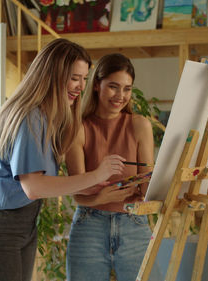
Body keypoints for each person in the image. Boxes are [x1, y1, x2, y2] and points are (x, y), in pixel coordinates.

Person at [0, 39, 126, 281]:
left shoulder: (46, 118)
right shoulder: (31, 117)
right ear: (52, 75)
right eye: (74, 78)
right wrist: (95, 175)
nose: (80, 87)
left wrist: (88, 184)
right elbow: (34, 187)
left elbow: (42, 183)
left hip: (22, 222)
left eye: (84, 79)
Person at [65, 53, 161, 281]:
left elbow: (147, 186)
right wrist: (98, 199)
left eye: (127, 89)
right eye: (113, 87)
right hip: (89, 224)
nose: (121, 96)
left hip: (134, 224)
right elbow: (78, 192)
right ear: (97, 85)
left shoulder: (140, 125)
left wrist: (164, 181)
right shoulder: (77, 127)